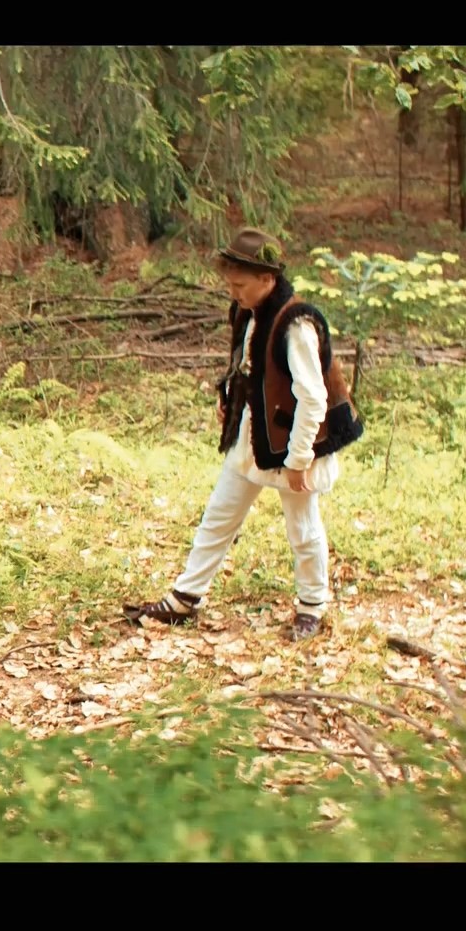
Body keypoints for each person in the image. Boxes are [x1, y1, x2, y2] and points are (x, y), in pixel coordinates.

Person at [124, 228, 365, 641]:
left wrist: (297, 460)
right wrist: (231, 398)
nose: (233, 292)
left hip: (294, 440)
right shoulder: (248, 312)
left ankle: (312, 606)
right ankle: (186, 596)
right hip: (254, 437)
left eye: (240, 284)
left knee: (302, 527)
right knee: (219, 515)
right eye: (230, 284)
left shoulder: (296, 325)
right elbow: (249, 366)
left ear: (267, 280)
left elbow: (312, 397)